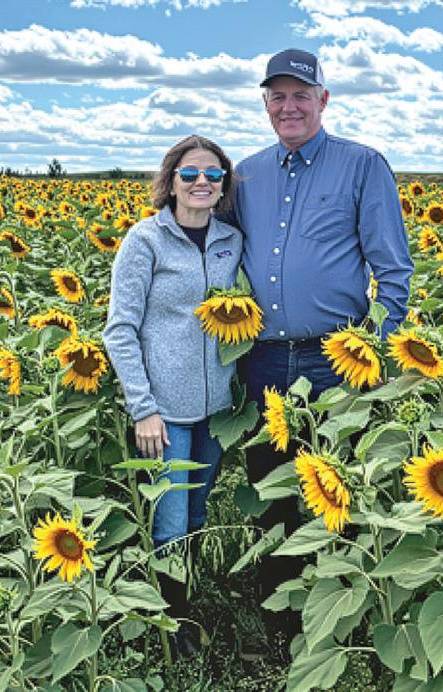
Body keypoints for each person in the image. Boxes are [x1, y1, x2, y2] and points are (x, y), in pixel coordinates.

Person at [230, 48, 414, 652]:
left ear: (323, 100)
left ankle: (343, 618)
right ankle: (281, 620)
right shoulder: (246, 175)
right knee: (272, 489)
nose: (289, 107)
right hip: (262, 357)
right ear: (265, 104)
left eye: (300, 95)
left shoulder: (362, 166)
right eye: (277, 96)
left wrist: (377, 353)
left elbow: (393, 271)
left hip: (335, 357)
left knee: (341, 487)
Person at [103, 134, 241, 658]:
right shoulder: (145, 240)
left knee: (197, 512)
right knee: (171, 521)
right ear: (171, 181)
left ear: (223, 184)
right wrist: (144, 408)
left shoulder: (232, 240)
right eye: (190, 173)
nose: (201, 182)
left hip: (217, 409)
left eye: (212, 174)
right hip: (164, 413)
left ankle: (185, 598)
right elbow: (120, 330)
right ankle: (173, 620)